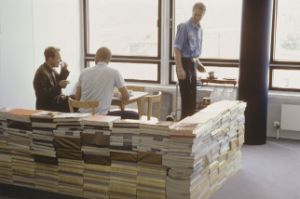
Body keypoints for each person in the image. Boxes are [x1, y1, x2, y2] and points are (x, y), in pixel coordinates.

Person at [75, 47, 139, 119]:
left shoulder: (84, 72)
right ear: (109, 59)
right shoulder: (114, 72)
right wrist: (120, 95)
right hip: (101, 117)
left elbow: (77, 97)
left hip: (81, 115)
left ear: (96, 57)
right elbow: (126, 97)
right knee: (135, 115)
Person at [174, 2, 206, 120]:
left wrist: (198, 63)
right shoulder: (184, 26)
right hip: (183, 63)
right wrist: (179, 68)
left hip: (192, 64)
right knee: (187, 100)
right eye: (195, 14)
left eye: (200, 15)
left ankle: (189, 129)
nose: (197, 17)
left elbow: (193, 52)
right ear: (192, 12)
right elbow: (177, 49)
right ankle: (182, 130)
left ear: (203, 15)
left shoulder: (200, 29)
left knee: (192, 100)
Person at [33, 46, 70, 112]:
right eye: (58, 58)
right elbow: (42, 95)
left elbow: (58, 81)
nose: (60, 61)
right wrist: (59, 86)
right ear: (50, 59)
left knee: (74, 99)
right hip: (47, 108)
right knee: (72, 101)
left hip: (53, 104)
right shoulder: (41, 73)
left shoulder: (51, 70)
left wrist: (63, 70)